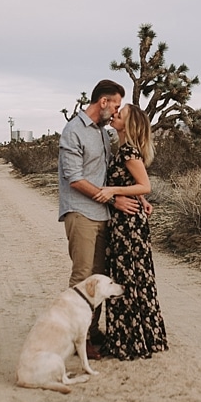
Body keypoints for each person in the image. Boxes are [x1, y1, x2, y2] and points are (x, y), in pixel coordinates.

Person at [89, 103, 169, 360]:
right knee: (130, 278)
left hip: (129, 227)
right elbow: (134, 185)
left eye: (119, 114)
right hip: (123, 224)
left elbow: (144, 185)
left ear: (129, 124)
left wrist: (113, 191)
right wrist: (135, 197)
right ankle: (135, 337)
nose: (114, 115)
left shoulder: (128, 153)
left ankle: (131, 340)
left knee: (129, 278)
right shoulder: (122, 151)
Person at [58, 80, 144, 287]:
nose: (116, 112)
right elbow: (75, 179)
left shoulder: (102, 132)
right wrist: (114, 200)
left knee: (98, 278)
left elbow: (108, 173)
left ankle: (92, 321)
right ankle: (75, 321)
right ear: (104, 101)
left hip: (103, 213)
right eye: (116, 106)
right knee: (82, 277)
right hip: (81, 213)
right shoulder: (74, 131)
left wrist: (138, 195)